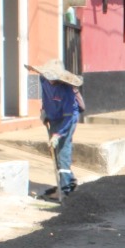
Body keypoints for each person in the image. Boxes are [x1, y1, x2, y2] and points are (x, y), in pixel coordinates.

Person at [34, 60, 84, 199]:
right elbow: (45, 96)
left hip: (67, 119)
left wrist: (58, 134)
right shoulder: (43, 79)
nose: (50, 79)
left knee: (62, 150)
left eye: (52, 77)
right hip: (53, 117)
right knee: (55, 152)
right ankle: (71, 181)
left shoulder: (66, 90)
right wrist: (44, 111)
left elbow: (69, 117)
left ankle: (65, 190)